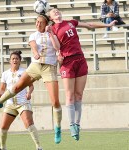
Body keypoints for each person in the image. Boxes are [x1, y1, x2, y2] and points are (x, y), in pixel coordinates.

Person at [0, 14, 62, 144]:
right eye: (36, 22)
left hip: (49, 67)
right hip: (35, 66)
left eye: (40, 23)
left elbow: (57, 48)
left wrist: (51, 34)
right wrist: (35, 52)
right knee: (16, 87)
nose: (38, 24)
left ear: (46, 24)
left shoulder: (52, 33)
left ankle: (58, 128)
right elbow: (32, 45)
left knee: (55, 101)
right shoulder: (33, 35)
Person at [48, 8, 117, 141]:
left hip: (79, 58)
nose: (56, 11)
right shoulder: (53, 28)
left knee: (79, 94)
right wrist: (50, 33)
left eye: (57, 10)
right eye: (53, 11)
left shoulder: (71, 22)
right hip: (67, 62)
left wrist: (107, 25)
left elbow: (89, 25)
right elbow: (57, 47)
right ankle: (71, 124)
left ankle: (77, 125)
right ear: (51, 17)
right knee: (70, 95)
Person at [0, 51, 42, 150]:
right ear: (9, 61)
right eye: (13, 58)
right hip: (10, 104)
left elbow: (31, 86)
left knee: (29, 124)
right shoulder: (5, 74)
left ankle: (38, 147)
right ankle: (3, 147)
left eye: (17, 58)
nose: (15, 60)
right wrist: (0, 94)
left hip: (23, 103)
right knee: (3, 127)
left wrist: (29, 93)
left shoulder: (25, 72)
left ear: (20, 61)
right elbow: (2, 88)